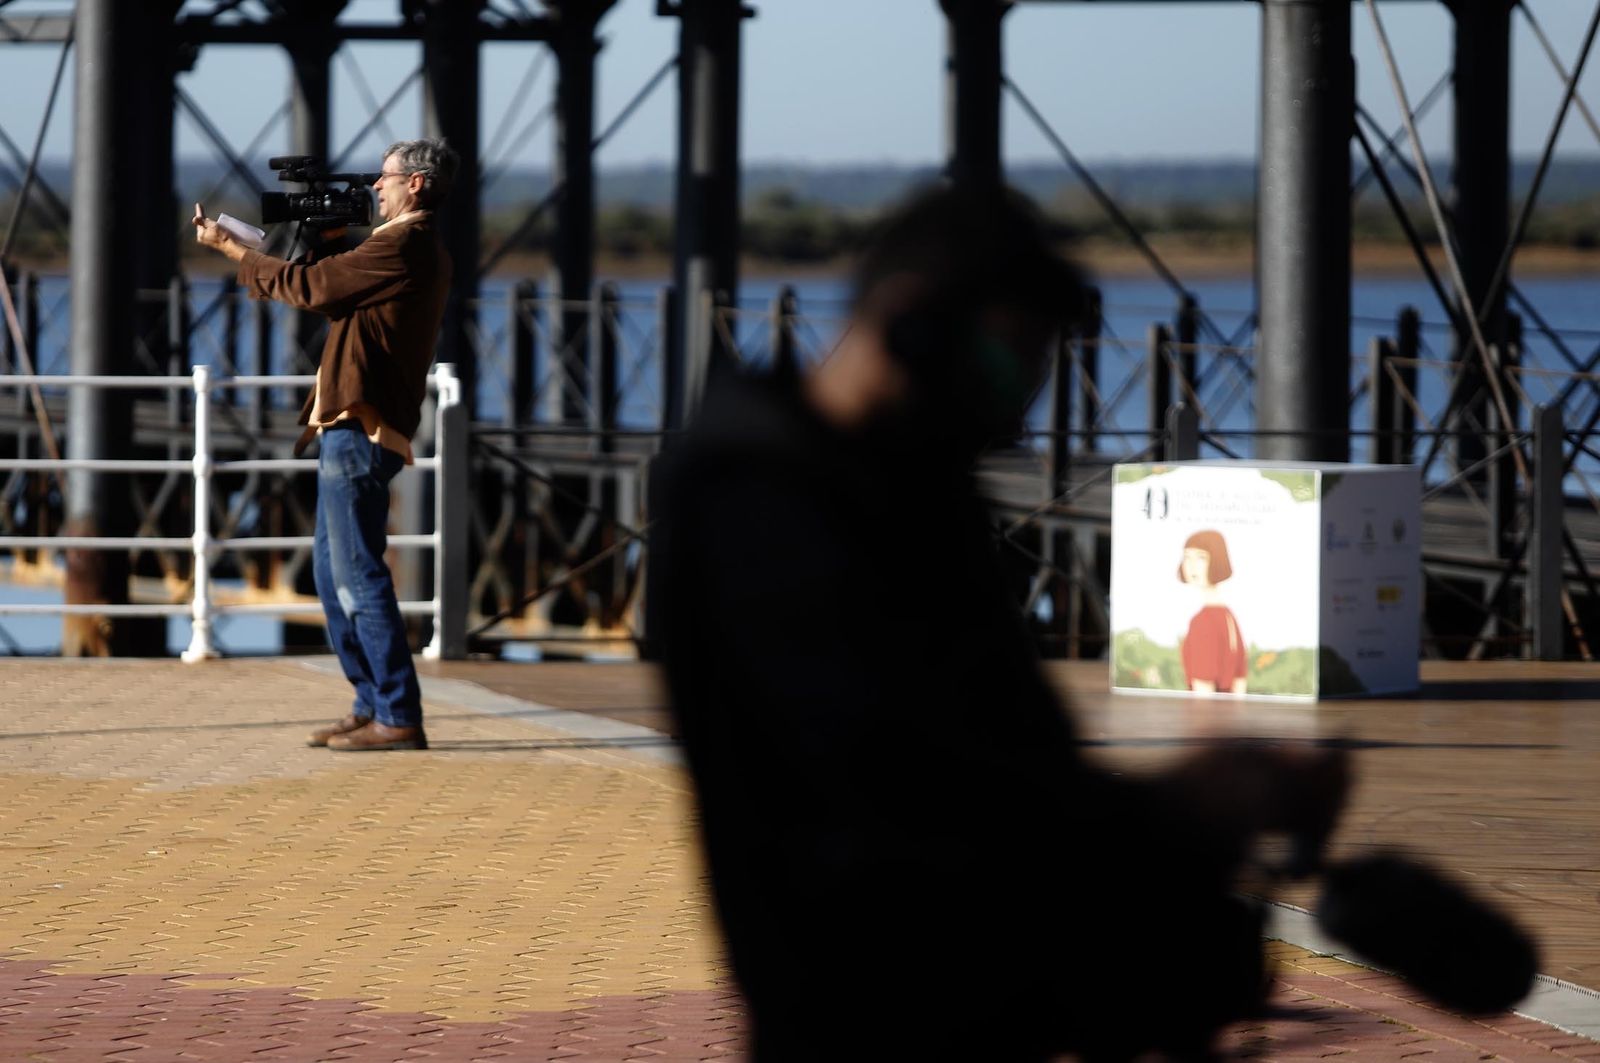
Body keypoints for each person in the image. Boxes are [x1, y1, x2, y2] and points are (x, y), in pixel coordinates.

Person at [649, 185, 1349, 1060]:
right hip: (868, 1016)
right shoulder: (754, 497)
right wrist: (1182, 807)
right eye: (1004, 368)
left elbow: (1004, 751)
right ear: (910, 322)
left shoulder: (906, 475)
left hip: (993, 1009)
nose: (1015, 411)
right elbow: (903, 786)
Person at [192, 138, 458, 752]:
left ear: (415, 185)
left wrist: (233, 248)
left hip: (361, 429)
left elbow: (314, 292)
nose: (377, 188)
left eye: (386, 179)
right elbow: (336, 286)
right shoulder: (397, 247)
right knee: (332, 571)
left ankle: (397, 714)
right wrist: (329, 243)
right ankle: (372, 703)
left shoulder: (406, 244)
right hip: (346, 423)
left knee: (359, 575)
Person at [1178, 529, 1248, 694]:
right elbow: (1239, 684)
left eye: (1201, 557)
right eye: (1187, 557)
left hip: (1205, 716)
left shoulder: (1203, 621)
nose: (1191, 566)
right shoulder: (1228, 616)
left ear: (1217, 559)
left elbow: (1203, 693)